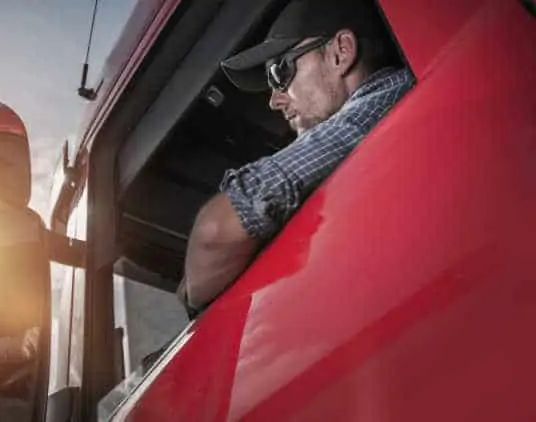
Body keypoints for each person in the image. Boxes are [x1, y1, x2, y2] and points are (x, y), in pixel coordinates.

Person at [177, 0, 415, 313]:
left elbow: (218, 231)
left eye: (280, 72)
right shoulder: (381, 112)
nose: (274, 101)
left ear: (340, 52)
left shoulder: (378, 102)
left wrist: (189, 297)